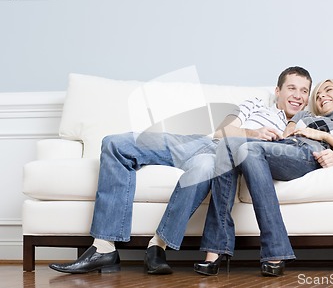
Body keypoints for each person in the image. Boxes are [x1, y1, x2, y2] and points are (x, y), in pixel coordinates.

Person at [48, 66, 313, 275]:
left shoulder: (303, 124)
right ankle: (104, 246)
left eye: (304, 91)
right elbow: (222, 130)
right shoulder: (256, 104)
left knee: (204, 169)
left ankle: (158, 246)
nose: (298, 96)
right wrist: (254, 132)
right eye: (292, 88)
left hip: (218, 160)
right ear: (277, 91)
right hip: (199, 142)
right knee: (114, 143)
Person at [196, 79, 333, 277]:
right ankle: (215, 250)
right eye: (317, 95)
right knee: (228, 143)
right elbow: (285, 136)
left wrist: (329, 144)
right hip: (286, 148)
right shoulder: (304, 115)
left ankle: (274, 250)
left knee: (249, 149)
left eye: (328, 90)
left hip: (310, 153)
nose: (321, 96)